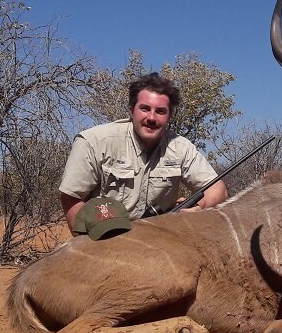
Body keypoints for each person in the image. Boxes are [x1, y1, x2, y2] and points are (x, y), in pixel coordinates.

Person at [59, 72, 228, 233]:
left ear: (169, 117)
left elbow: (218, 190)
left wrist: (199, 207)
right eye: (145, 109)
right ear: (132, 110)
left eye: (160, 111)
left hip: (158, 238)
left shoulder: (180, 147)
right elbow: (71, 198)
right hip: (105, 237)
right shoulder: (94, 141)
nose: (152, 118)